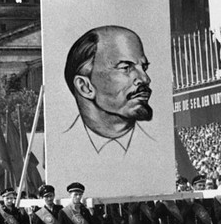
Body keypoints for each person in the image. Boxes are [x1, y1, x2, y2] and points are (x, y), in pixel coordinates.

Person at [62, 25, 156, 157]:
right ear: (85, 86)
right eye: (126, 67)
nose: (145, 79)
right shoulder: (62, 148)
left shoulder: (158, 145)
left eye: (144, 68)